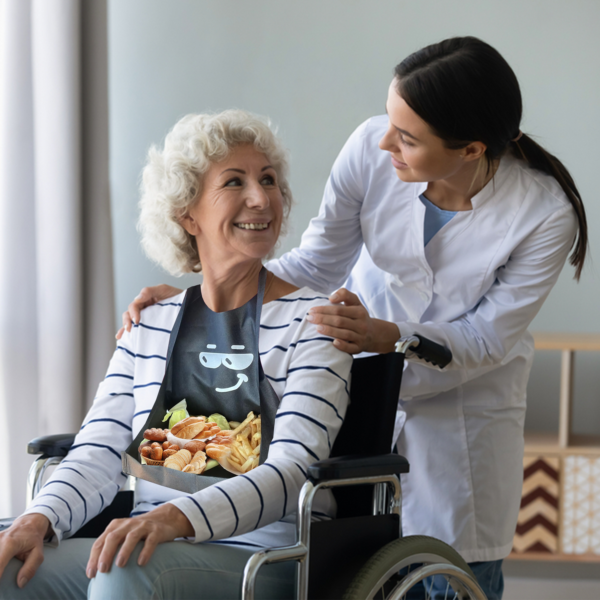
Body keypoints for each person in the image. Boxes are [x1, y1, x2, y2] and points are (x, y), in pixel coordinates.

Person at [119, 37, 588, 600]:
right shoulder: (371, 147)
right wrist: (208, 292)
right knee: (352, 566)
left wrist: (389, 336)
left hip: (461, 425)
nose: (385, 139)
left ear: (470, 150)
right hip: (354, 391)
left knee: (445, 574)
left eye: (408, 138)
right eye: (390, 120)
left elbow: (486, 339)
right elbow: (317, 263)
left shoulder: (543, 213)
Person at [0, 110, 352, 600]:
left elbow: (292, 471)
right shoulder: (151, 322)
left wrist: (179, 517)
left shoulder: (314, 322)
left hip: (266, 552)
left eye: (268, 180)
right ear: (188, 214)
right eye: (235, 181)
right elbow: (97, 450)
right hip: (150, 536)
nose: (261, 197)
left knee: (122, 570)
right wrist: (37, 519)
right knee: (8, 562)